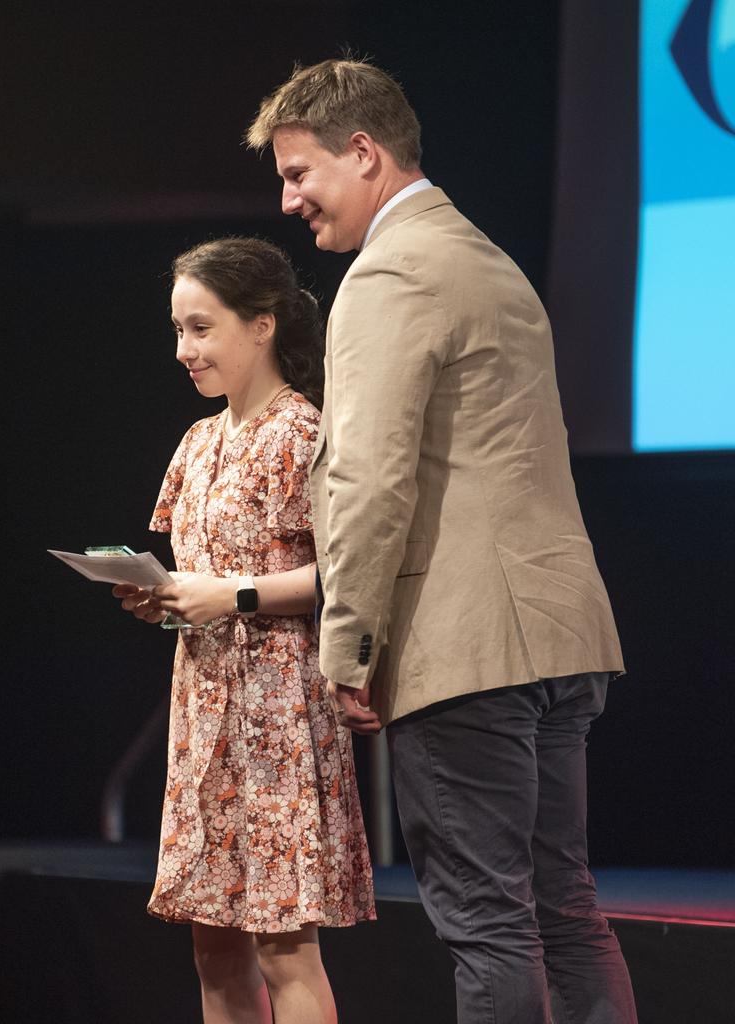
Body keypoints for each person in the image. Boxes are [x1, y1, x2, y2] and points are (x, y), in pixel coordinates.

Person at [247, 59, 638, 1023]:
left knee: (491, 926)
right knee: (565, 910)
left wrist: (349, 648)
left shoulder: (388, 273)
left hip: (468, 647)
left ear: (366, 152)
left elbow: (370, 479)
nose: (289, 200)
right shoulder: (485, 256)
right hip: (558, 632)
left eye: (301, 174)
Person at [112, 236, 375, 1024]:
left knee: (284, 945)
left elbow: (344, 573)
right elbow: (198, 571)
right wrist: (159, 596)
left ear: (261, 325)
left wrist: (231, 595)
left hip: (279, 707)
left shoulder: (301, 432)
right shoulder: (199, 440)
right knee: (214, 942)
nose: (185, 350)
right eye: (178, 331)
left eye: (201, 328)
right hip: (204, 707)